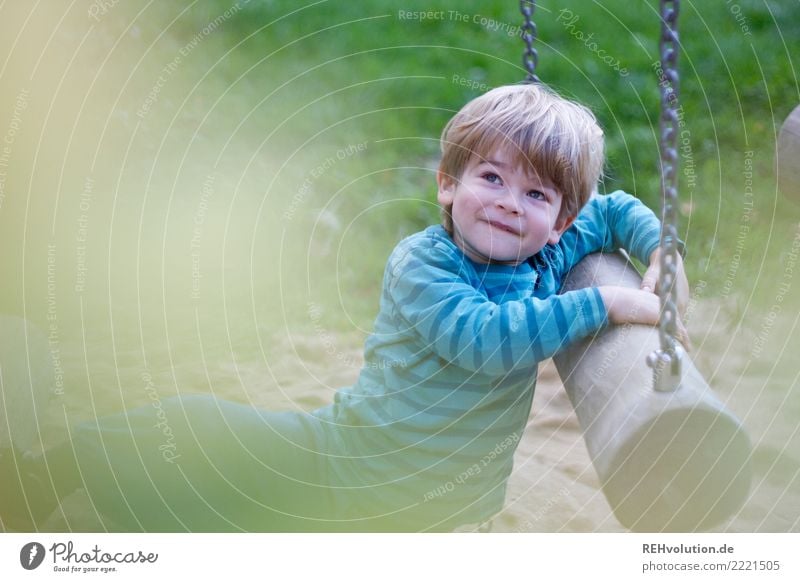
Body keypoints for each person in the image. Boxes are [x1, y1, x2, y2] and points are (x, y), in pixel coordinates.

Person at [0, 83, 688, 532]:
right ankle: (44, 472)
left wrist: (664, 256)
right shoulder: (424, 264)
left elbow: (618, 211)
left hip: (449, 511)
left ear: (562, 221)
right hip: (349, 467)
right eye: (491, 177)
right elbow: (486, 339)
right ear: (448, 185)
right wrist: (608, 301)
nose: (511, 202)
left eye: (538, 196)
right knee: (199, 439)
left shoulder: (545, 250)